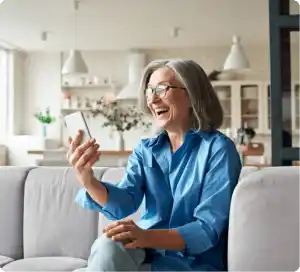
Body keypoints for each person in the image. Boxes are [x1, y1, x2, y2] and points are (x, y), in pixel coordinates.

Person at [67, 59, 242, 272]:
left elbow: (206, 229)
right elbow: (124, 202)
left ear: (191, 94)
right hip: (145, 251)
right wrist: (88, 181)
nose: (153, 99)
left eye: (162, 89)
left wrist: (146, 236)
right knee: (108, 243)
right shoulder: (146, 149)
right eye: (150, 91)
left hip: (191, 263)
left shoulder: (219, 150)